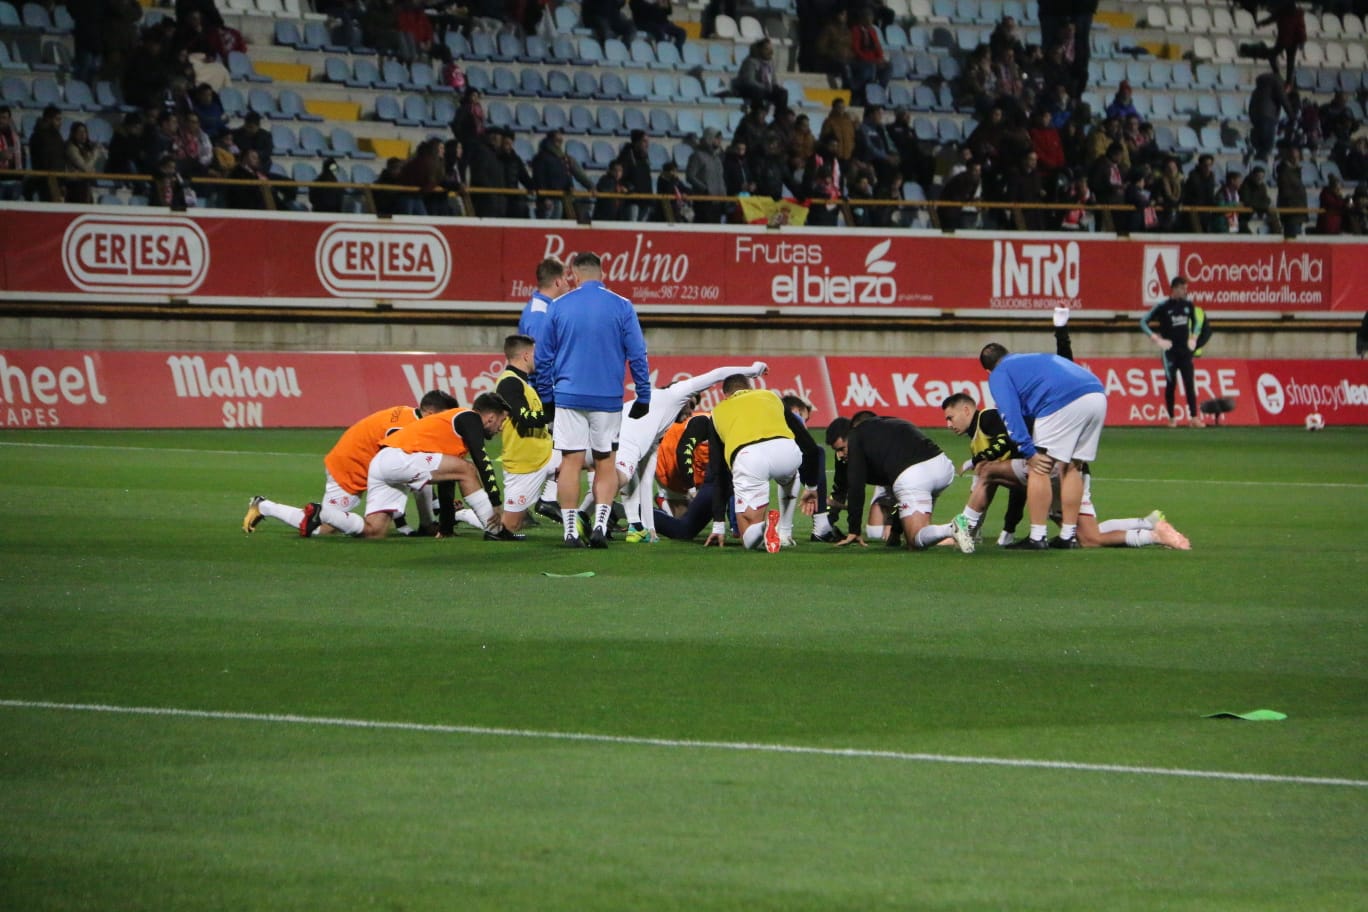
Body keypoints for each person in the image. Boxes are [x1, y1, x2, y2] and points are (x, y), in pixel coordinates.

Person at [534, 251, 651, 548]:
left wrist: (546, 398)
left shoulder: (558, 306)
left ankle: (570, 531)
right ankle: (600, 524)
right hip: (607, 398)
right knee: (605, 461)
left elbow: (543, 356)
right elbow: (637, 354)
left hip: (569, 395)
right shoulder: (622, 306)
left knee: (571, 462)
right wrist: (643, 394)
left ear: (573, 274)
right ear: (602, 273)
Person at [952, 342, 1106, 551]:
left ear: (988, 370)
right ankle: (1067, 535)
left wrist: (1028, 450)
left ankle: (1037, 536)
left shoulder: (999, 374)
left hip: (1060, 401)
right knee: (1071, 466)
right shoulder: (1028, 359)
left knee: (1038, 466)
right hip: (1096, 394)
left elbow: (1009, 413)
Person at [243, 390, 459, 538]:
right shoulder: (405, 428)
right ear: (430, 413)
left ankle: (427, 525)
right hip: (349, 468)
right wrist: (408, 519)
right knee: (322, 529)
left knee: (420, 472)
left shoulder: (409, 416)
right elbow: (398, 470)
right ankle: (263, 506)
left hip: (360, 464)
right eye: (444, 418)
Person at [614, 361, 767, 543]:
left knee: (688, 524)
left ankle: (613, 512)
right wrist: (752, 370)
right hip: (703, 478)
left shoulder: (758, 413)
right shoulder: (707, 414)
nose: (690, 410)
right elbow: (686, 451)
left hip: (733, 478)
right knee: (683, 528)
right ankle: (612, 510)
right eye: (690, 404)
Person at [359, 394, 513, 540]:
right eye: (503, 420)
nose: (501, 428)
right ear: (491, 418)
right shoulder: (470, 418)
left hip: (382, 462)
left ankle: (335, 516)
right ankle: (496, 531)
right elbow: (482, 460)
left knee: (374, 530)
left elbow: (448, 481)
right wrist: (496, 503)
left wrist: (446, 528)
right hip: (399, 458)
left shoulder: (455, 428)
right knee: (467, 469)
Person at [703, 374, 822, 552]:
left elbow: (718, 468)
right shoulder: (770, 397)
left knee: (749, 539)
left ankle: (764, 528)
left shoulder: (717, 413)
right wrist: (812, 487)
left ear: (725, 396)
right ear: (750, 388)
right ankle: (785, 533)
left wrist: (718, 525)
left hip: (749, 458)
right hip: (786, 451)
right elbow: (810, 445)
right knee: (791, 476)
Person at [823, 412, 960, 551]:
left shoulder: (856, 438)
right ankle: (964, 533)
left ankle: (954, 528)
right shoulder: (887, 429)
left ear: (850, 434)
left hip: (915, 474)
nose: (840, 455)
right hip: (942, 466)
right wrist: (895, 531)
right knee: (918, 532)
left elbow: (856, 488)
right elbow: (896, 490)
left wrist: (854, 531)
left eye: (841, 449)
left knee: (914, 540)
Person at [494, 335, 555, 536]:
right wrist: (552, 412)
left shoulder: (523, 383)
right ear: (526, 355)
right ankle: (463, 514)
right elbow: (524, 418)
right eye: (537, 353)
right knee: (507, 527)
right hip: (524, 462)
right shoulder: (509, 383)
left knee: (584, 459)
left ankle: (549, 501)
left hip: (544, 454)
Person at [1141, 276, 1204, 427]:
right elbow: (1143, 322)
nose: (1185, 291)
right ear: (1175, 288)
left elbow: (1197, 322)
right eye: (1183, 288)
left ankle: (1194, 417)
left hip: (1185, 350)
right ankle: (1171, 417)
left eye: (1186, 289)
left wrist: (1193, 337)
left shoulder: (1188, 305)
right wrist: (1156, 338)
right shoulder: (1163, 306)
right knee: (1171, 383)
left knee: (1189, 382)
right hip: (1169, 350)